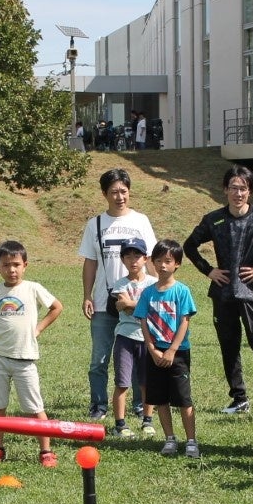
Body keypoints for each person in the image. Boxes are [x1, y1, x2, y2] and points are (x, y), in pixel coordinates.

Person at [184, 165, 253, 415]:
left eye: (243, 188)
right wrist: (209, 270)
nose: (238, 193)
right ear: (225, 190)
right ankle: (239, 398)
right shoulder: (214, 219)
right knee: (228, 346)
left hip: (252, 293)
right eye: (233, 188)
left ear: (250, 192)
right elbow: (189, 246)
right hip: (223, 293)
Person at [79, 168, 157, 420]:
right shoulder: (95, 224)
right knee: (99, 359)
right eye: (114, 192)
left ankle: (138, 404)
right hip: (105, 301)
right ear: (104, 194)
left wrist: (158, 292)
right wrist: (87, 295)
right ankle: (99, 405)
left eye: (123, 191)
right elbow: (90, 262)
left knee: (137, 353)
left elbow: (152, 259)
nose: (119, 196)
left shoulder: (140, 221)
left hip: (138, 302)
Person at [0, 240, 64, 467]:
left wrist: (38, 329)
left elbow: (56, 307)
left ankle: (46, 451)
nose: (11, 270)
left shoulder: (33, 288)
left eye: (16, 264)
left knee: (35, 408)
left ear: (25, 265)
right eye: (6, 265)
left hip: (25, 360)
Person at [134, 239, 199, 457]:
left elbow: (184, 321)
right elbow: (143, 321)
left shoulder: (182, 291)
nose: (162, 265)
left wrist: (172, 350)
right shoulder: (147, 293)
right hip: (155, 353)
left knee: (183, 399)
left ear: (177, 264)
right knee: (160, 398)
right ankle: (170, 438)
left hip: (177, 353)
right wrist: (152, 350)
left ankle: (191, 441)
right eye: (158, 260)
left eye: (168, 261)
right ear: (151, 262)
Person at [109, 238, 158, 437]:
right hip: (125, 337)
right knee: (122, 382)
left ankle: (147, 421)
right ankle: (120, 424)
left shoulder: (154, 283)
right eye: (128, 256)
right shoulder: (120, 284)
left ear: (146, 258)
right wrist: (138, 304)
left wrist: (132, 303)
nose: (133, 260)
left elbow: (151, 309)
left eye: (137, 255)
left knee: (147, 382)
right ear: (122, 260)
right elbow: (124, 309)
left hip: (148, 339)